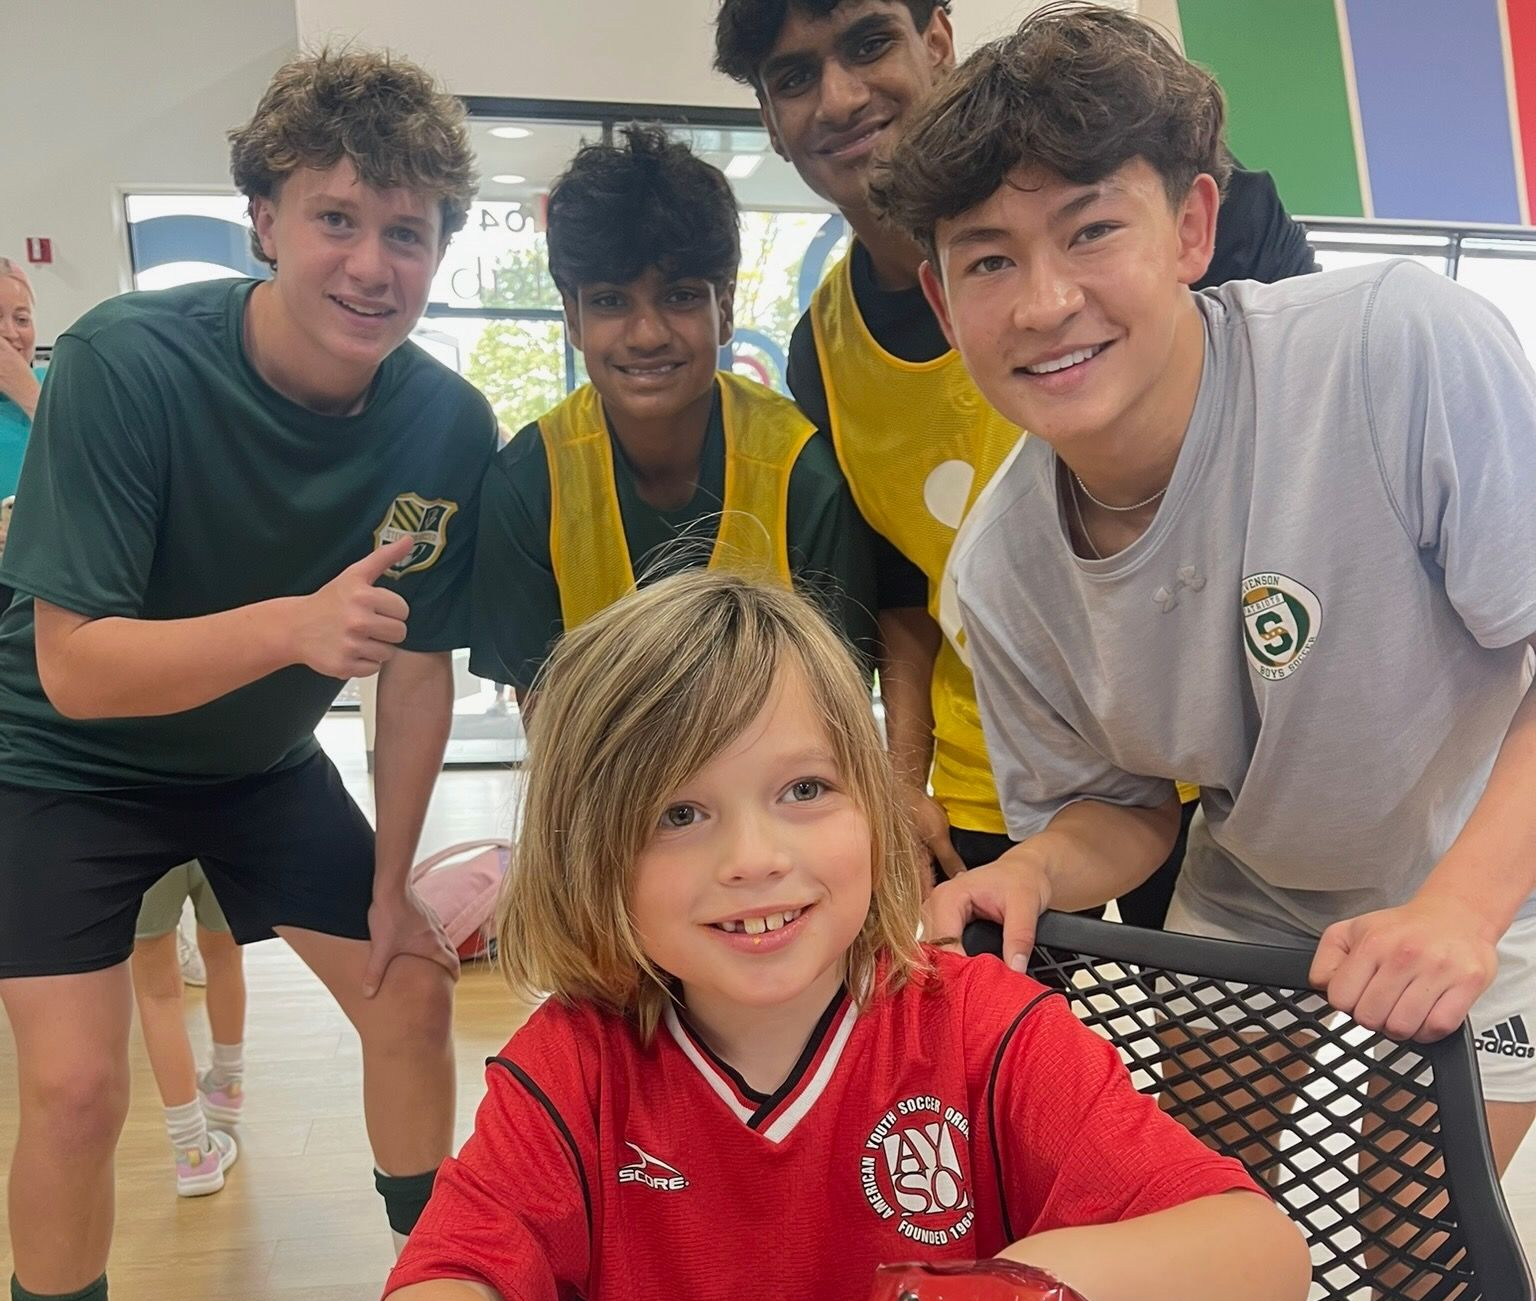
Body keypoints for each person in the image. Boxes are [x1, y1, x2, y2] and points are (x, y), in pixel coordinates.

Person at [873, 0, 1536, 1188]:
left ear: (1191, 226)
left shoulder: (1399, 349)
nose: (1042, 302)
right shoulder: (1004, 570)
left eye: (1089, 231)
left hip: (1498, 856)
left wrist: (1459, 909)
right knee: (1210, 1216)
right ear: (941, 298)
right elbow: (1125, 815)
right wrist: (1033, 868)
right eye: (989, 259)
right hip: (1259, 884)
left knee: (1406, 1233)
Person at [384, 571, 1308, 1301]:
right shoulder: (571, 1072)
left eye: (804, 790)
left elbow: (1260, 1251)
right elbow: (447, 1271)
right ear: (589, 855)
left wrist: (1018, 1284)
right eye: (679, 812)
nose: (754, 857)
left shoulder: (984, 1032)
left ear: (875, 805)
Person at [0, 49, 495, 1301]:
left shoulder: (445, 421)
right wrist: (291, 629)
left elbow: (420, 666)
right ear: (264, 220)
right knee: (74, 1085)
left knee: (414, 991)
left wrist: (392, 883)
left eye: (408, 232)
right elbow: (75, 667)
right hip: (58, 763)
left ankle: (428, 1270)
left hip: (258, 764)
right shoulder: (124, 361)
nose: (372, 265)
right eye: (336, 217)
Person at [711, 0, 1318, 916]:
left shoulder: (1240, 242)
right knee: (1008, 1052)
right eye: (792, 77)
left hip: (1225, 758)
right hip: (998, 777)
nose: (838, 97)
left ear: (939, 40)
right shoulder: (823, 351)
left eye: (869, 43)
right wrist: (901, 780)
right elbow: (906, 590)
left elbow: (1310, 464)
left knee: (1227, 1051)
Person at [470, 125, 876, 702]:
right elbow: (546, 714)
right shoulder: (529, 483)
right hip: (602, 784)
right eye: (611, 300)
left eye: (680, 295)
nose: (647, 334)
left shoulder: (802, 475)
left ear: (725, 309)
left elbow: (840, 700)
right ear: (574, 319)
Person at [130, 863, 247, 1197]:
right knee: (226, 956)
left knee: (157, 991)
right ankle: (228, 1085)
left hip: (141, 827)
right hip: (220, 822)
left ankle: (193, 1153)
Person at [0, 257, 46, 610]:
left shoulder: (59, 385)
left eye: (21, 319)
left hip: (48, 585)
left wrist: (28, 393)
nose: (12, 334)